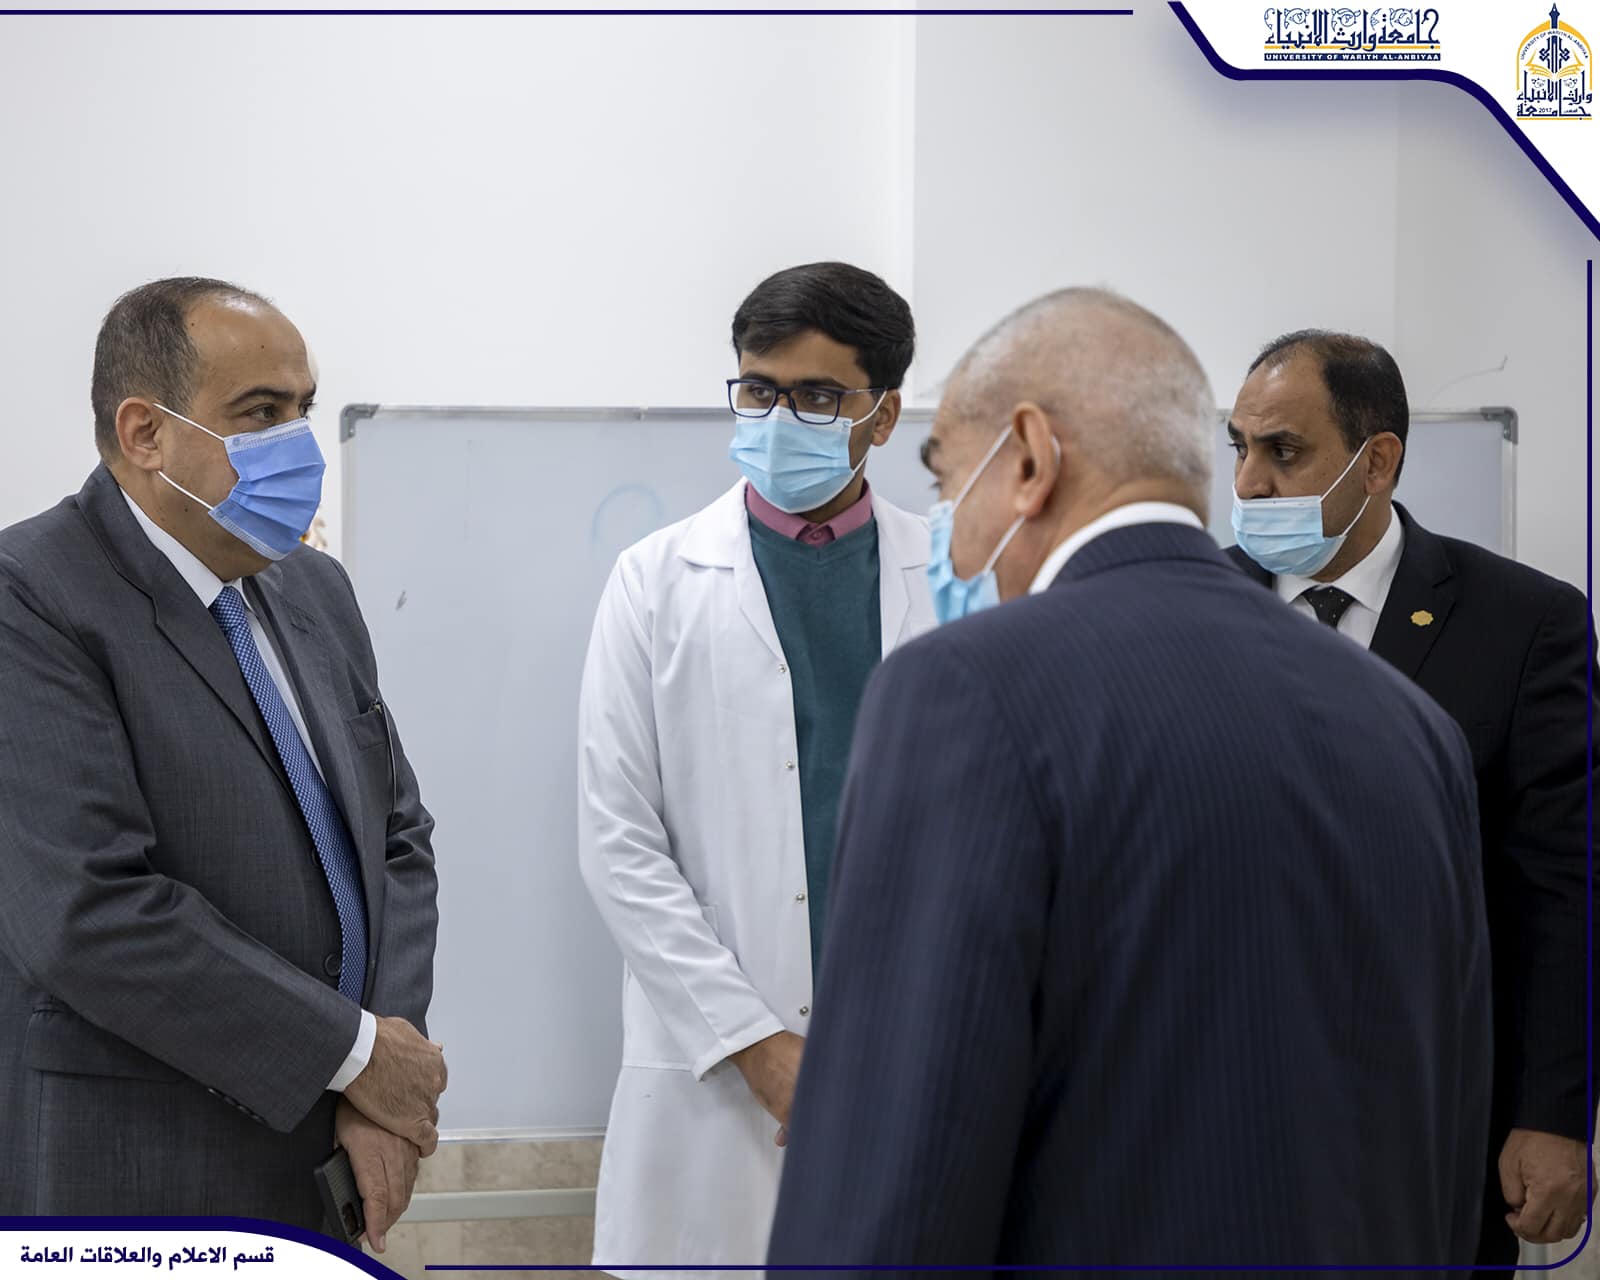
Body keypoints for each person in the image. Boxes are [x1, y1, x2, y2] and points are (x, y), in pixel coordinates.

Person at [768, 288, 1490, 1267]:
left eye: (946, 481)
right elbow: (1448, 1135)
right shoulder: (1413, 726)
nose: (946, 527)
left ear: (1030, 456)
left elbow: (895, 1181)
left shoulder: (965, 691)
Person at [0, 277, 445, 1242]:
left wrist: (378, 1078)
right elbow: (86, 911)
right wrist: (355, 1053)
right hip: (108, 1167)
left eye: (304, 409)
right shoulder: (20, 598)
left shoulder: (314, 593)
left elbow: (395, 837)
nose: (300, 445)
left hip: (309, 1148)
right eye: (261, 413)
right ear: (145, 432)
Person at [577, 262, 935, 1273]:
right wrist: (756, 1044)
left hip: (908, 1058)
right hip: (713, 1081)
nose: (779, 418)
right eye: (758, 389)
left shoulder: (955, 578)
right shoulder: (655, 580)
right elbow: (618, 841)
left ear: (882, 413)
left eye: (818, 396)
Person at [1223, 330, 1597, 1267]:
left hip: (1432, 1118)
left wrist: (1554, 1113)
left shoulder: (1524, 623)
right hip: (1216, 1112)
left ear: (1377, 460)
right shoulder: (1188, 604)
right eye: (1240, 447)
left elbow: (1564, 886)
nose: (1249, 484)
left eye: (1283, 450)